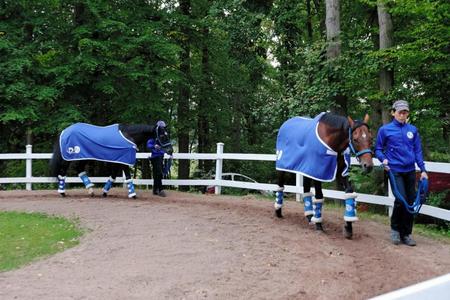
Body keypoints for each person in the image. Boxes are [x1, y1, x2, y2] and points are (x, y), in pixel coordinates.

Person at [375, 100, 428, 246]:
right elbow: (378, 149)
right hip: (394, 170)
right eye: (400, 112)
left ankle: (407, 234)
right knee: (401, 200)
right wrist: (383, 159)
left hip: (410, 170)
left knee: (410, 201)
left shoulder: (413, 130)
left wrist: (423, 170)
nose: (402, 115)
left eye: (405, 112)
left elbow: (417, 151)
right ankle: (395, 230)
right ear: (393, 113)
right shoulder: (385, 130)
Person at [147, 121, 169, 197]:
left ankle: (155, 189)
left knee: (157, 173)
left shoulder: (163, 136)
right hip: (155, 156)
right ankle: (160, 189)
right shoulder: (153, 136)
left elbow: (167, 145)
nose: (163, 129)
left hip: (160, 156)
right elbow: (149, 144)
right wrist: (154, 146)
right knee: (159, 173)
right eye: (162, 127)